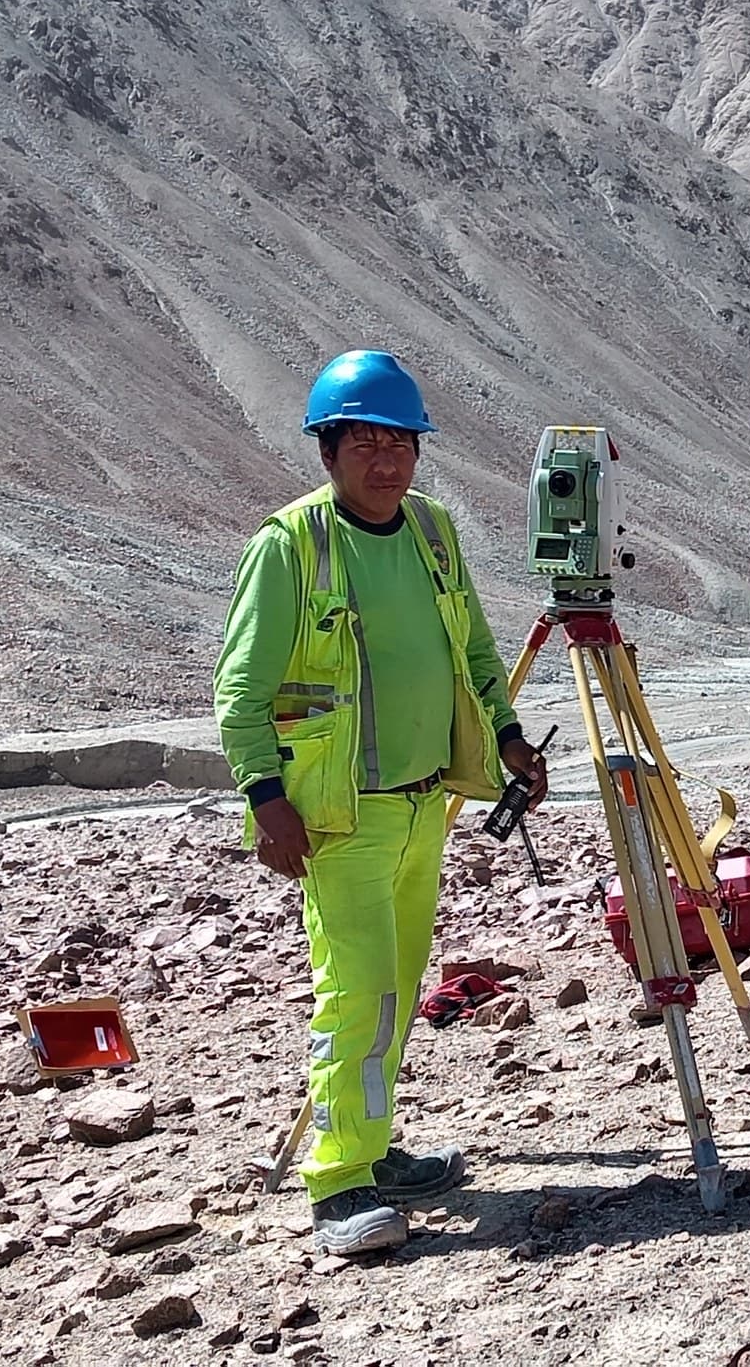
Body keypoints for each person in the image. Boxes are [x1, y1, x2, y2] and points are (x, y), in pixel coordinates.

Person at [215, 349, 549, 1255]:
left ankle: (373, 1146)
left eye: (399, 441)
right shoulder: (289, 545)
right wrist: (265, 796)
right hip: (338, 815)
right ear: (327, 449)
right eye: (363, 439)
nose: (384, 458)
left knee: (398, 990)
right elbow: (239, 689)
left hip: (420, 805)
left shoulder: (433, 532)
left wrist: (509, 735)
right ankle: (335, 1181)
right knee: (354, 990)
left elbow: (475, 650)